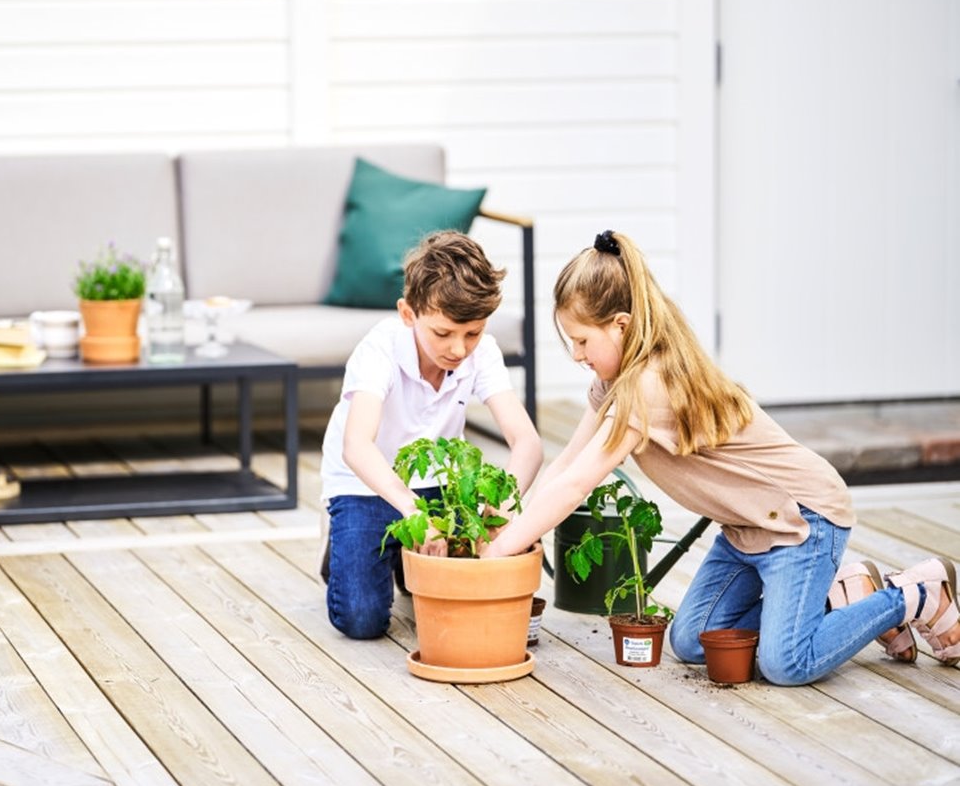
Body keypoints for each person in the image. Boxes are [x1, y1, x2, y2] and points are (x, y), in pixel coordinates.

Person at [481, 230, 959, 681]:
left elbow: (575, 486)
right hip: (747, 529)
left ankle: (914, 595)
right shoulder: (614, 384)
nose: (577, 355)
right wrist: (514, 519)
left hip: (802, 519)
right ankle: (843, 596)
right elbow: (565, 464)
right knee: (693, 641)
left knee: (787, 663)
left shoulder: (650, 387)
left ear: (620, 326)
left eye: (582, 341)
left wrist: (501, 550)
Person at [320, 231, 544, 639]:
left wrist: (504, 506)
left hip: (436, 484)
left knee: (446, 585)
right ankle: (346, 541)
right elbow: (357, 446)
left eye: (472, 333)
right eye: (443, 333)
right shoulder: (379, 350)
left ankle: (400, 558)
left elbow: (527, 443)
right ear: (408, 314)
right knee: (361, 620)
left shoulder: (483, 353)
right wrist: (417, 515)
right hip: (364, 485)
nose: (459, 349)